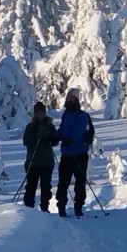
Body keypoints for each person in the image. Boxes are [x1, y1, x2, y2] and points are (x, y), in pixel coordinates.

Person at [55, 89, 97, 217]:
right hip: (67, 154)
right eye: (67, 99)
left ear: (76, 101)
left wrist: (68, 139)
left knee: (80, 182)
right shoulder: (66, 114)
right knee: (63, 182)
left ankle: (78, 207)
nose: (68, 101)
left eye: (71, 99)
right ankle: (61, 207)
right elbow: (62, 130)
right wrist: (53, 137)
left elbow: (78, 131)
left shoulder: (82, 115)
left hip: (79, 154)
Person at [20, 102, 57, 212]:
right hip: (33, 162)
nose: (40, 114)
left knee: (46, 187)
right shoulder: (31, 127)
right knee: (31, 186)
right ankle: (29, 208)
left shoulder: (50, 126)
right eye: (38, 112)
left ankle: (45, 208)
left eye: (42, 112)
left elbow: (55, 141)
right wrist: (37, 137)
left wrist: (49, 138)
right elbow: (26, 141)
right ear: (35, 114)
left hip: (47, 162)